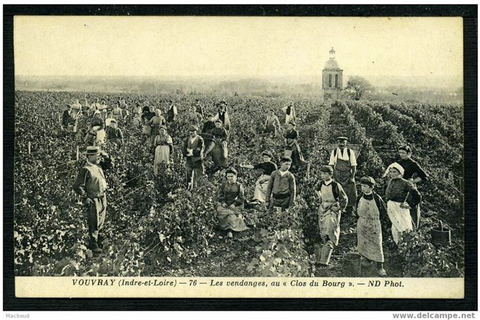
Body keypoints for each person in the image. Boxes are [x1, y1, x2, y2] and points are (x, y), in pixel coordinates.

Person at [72, 146, 112, 254]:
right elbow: (77, 186)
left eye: (99, 155)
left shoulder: (98, 166)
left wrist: (106, 156)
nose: (99, 157)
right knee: (94, 221)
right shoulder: (86, 169)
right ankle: (93, 245)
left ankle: (99, 241)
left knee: (101, 220)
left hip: (102, 197)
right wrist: (85, 197)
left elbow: (109, 165)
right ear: (89, 156)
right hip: (93, 198)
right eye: (96, 155)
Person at [315, 165, 348, 267]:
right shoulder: (320, 184)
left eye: (325, 173)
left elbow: (344, 198)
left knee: (331, 229)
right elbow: (316, 190)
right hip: (323, 208)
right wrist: (319, 196)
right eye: (322, 173)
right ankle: (323, 252)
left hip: (332, 208)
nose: (323, 175)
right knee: (323, 229)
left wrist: (339, 208)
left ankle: (326, 258)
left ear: (330, 174)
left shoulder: (335, 185)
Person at [355, 176, 387, 276]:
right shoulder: (360, 197)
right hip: (363, 223)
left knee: (377, 244)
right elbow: (356, 209)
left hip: (374, 224)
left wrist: (377, 222)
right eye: (361, 186)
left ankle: (380, 267)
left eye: (365, 186)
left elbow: (383, 212)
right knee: (363, 243)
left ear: (371, 187)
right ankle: (367, 259)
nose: (363, 188)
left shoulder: (377, 198)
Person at [384, 163, 421, 244]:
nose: (392, 174)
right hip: (391, 206)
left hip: (400, 207)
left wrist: (410, 205)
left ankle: (408, 243)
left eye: (395, 172)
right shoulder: (390, 182)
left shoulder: (406, 183)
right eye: (391, 172)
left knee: (404, 226)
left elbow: (417, 196)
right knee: (395, 227)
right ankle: (398, 245)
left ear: (400, 173)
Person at [396, 145, 428, 228]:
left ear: (409, 153)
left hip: (410, 187)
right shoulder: (398, 163)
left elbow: (424, 176)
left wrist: (412, 181)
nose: (401, 155)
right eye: (400, 153)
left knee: (412, 206)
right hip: (400, 186)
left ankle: (414, 228)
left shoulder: (413, 164)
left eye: (403, 153)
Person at [216, 168, 249, 239]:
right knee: (218, 210)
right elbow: (220, 195)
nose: (230, 178)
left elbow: (241, 198)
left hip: (235, 205)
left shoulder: (239, 185)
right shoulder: (224, 185)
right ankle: (228, 226)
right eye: (228, 176)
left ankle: (229, 230)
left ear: (235, 177)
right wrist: (223, 202)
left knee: (231, 216)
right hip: (225, 205)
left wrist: (234, 204)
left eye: (232, 176)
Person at [329, 136, 357, 215]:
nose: (341, 144)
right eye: (340, 142)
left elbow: (354, 166)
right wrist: (332, 176)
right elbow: (331, 165)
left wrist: (352, 177)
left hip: (347, 175)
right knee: (338, 191)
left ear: (346, 143)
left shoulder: (349, 152)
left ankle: (349, 209)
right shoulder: (334, 152)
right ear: (337, 143)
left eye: (343, 142)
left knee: (350, 191)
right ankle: (339, 208)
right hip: (337, 175)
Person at [183, 125, 205, 190]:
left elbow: (199, 150)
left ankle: (197, 191)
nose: (191, 133)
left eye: (193, 131)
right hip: (189, 160)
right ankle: (188, 191)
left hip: (197, 160)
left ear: (196, 131)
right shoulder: (187, 139)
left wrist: (191, 151)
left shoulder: (200, 139)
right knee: (188, 176)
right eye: (190, 132)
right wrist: (187, 154)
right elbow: (184, 149)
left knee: (198, 177)